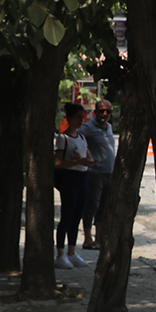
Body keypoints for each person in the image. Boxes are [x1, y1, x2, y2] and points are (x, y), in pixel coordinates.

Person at [53, 101, 91, 270]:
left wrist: (86, 162)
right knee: (67, 216)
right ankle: (60, 253)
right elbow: (58, 163)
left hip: (83, 177)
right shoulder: (63, 138)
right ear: (69, 118)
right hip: (70, 178)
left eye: (82, 118)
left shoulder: (82, 137)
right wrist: (74, 162)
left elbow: (88, 159)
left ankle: (72, 251)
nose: (81, 121)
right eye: (78, 117)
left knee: (77, 216)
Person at [79, 99, 116, 250]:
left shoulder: (109, 127)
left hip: (109, 173)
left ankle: (99, 238)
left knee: (104, 207)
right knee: (92, 206)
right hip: (95, 173)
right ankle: (87, 239)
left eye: (108, 111)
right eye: (101, 111)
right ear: (95, 112)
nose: (105, 114)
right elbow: (74, 139)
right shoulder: (88, 128)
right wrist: (85, 158)